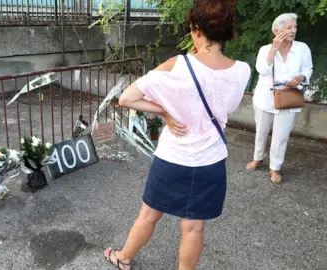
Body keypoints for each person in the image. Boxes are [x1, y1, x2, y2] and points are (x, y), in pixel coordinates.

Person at [102, 0, 251, 269]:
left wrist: (167, 112)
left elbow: (127, 98)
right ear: (227, 32)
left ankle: (123, 259)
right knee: (193, 227)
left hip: (173, 157)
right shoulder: (242, 70)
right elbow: (226, 107)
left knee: (148, 214)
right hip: (211, 161)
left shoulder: (177, 65)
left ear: (196, 30)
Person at [245, 13, 313, 183]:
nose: (293, 30)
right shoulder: (265, 49)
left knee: (281, 135)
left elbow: (308, 69)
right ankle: (258, 158)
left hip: (289, 97)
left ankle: (275, 167)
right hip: (265, 97)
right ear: (276, 30)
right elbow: (262, 70)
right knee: (261, 131)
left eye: (295, 27)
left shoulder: (302, 48)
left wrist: (300, 78)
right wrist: (273, 48)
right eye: (289, 27)